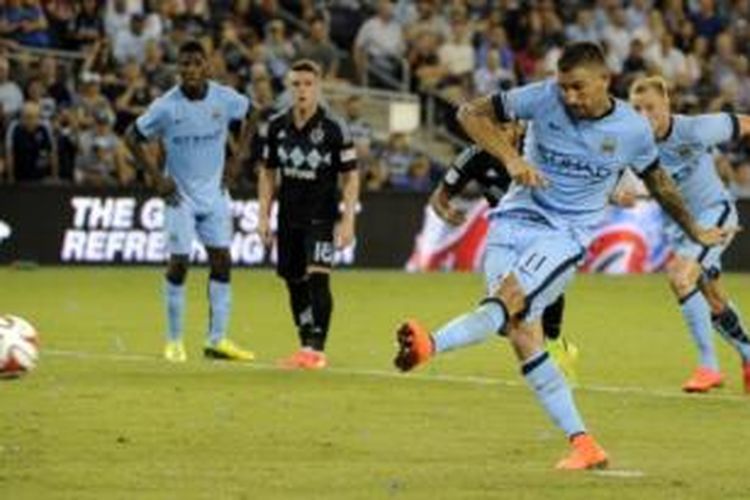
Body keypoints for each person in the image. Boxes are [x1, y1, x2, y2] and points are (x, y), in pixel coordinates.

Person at [393, 42, 732, 470]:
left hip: (564, 234)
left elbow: (660, 183)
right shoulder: (542, 97)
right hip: (511, 221)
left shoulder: (631, 130)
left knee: (508, 301)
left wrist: (694, 229)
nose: (569, 97)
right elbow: (468, 113)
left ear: (604, 81)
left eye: (579, 88)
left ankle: (429, 345)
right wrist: (512, 158)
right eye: (564, 87)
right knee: (521, 334)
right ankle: (585, 445)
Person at [125, 40, 255, 363]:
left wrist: (238, 158)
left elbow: (254, 113)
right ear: (179, 69)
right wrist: (157, 178)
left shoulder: (224, 98)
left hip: (214, 196)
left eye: (197, 62)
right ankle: (174, 341)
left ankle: (217, 340)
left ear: (207, 66)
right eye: (184, 64)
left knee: (222, 261)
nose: (191, 69)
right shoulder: (166, 107)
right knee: (179, 264)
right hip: (179, 198)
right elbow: (131, 136)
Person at [629, 75, 750, 394]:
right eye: (637, 108)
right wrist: (618, 193)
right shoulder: (633, 144)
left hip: (715, 213)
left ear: (667, 103)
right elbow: (616, 180)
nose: (645, 115)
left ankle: (708, 367)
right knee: (713, 297)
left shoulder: (695, 129)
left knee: (680, 276)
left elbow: (745, 123)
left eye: (651, 107)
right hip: (682, 228)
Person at [430, 135, 577, 382]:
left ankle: (553, 352)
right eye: (495, 127)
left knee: (540, 293)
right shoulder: (476, 156)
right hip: (506, 237)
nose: (503, 132)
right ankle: (551, 352)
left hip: (545, 233)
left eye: (508, 126)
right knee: (506, 312)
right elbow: (439, 196)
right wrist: (445, 210)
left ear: (519, 127)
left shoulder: (541, 150)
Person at [257, 59, 359, 370]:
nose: (302, 90)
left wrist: (348, 219)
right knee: (293, 281)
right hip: (288, 217)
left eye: (308, 84)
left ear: (318, 88)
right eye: (296, 84)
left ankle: (317, 349)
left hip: (321, 217)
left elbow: (351, 175)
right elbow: (267, 172)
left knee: (318, 279)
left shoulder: (334, 128)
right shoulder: (276, 126)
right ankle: (305, 343)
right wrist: (264, 215)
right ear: (289, 88)